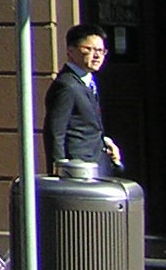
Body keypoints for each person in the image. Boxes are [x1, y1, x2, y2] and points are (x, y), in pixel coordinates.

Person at [43, 22, 121, 175]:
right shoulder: (66, 86)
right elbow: (55, 133)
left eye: (100, 50)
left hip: (96, 165)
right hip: (77, 171)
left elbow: (83, 124)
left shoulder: (88, 81)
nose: (97, 56)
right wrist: (58, 173)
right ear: (71, 51)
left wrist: (105, 141)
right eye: (89, 49)